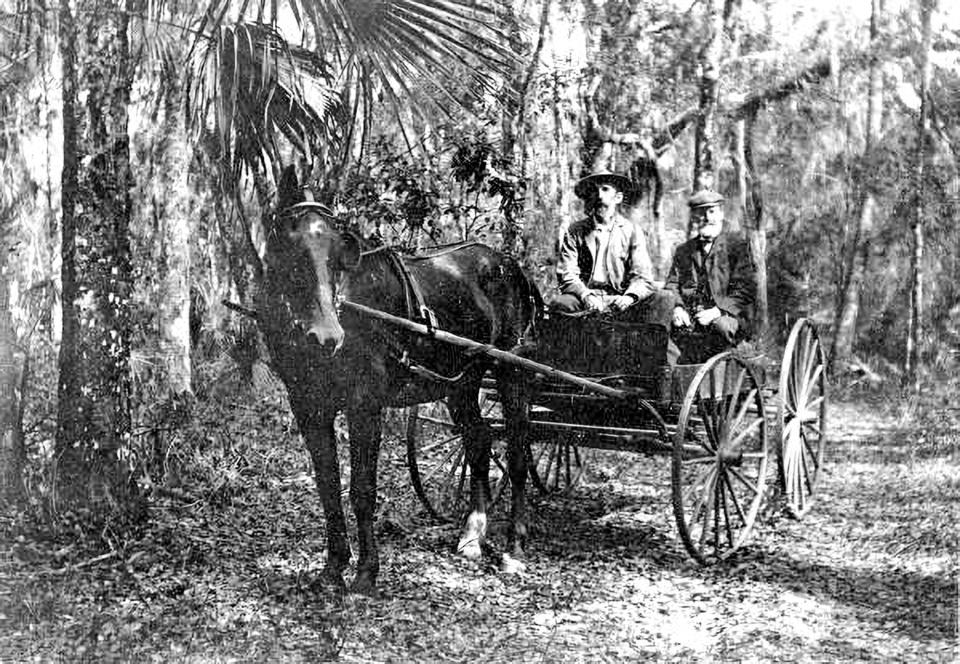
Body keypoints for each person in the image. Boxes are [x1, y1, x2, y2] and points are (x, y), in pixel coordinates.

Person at [552, 169, 667, 320]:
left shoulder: (631, 231)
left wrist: (629, 297)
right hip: (585, 298)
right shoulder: (576, 231)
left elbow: (642, 275)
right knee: (561, 304)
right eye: (594, 190)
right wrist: (586, 295)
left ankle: (650, 344)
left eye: (605, 189)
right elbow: (567, 273)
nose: (599, 196)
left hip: (620, 298)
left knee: (663, 298)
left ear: (618, 197)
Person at [665, 189, 758, 364]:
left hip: (729, 316)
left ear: (721, 214)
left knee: (720, 327)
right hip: (692, 316)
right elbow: (672, 284)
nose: (708, 218)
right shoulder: (684, 251)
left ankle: (722, 373)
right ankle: (676, 379)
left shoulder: (737, 247)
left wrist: (718, 311)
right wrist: (678, 308)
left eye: (712, 211)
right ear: (693, 217)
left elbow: (746, 289)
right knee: (660, 329)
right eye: (701, 213)